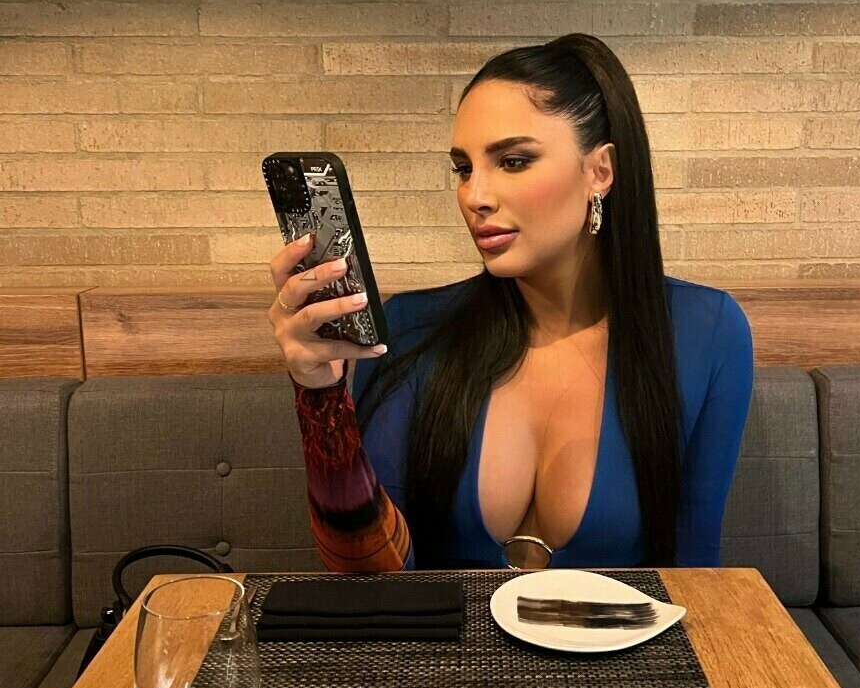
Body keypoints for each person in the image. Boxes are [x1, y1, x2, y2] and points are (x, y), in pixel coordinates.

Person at [267, 33, 754, 572]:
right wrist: (322, 399)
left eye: (514, 161)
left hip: (626, 630)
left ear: (600, 171)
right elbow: (373, 575)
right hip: (447, 631)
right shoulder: (414, 329)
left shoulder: (705, 332)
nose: (475, 196)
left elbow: (696, 569)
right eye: (464, 168)